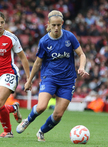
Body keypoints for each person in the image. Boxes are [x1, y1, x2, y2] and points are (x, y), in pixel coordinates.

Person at [16, 10, 89, 142]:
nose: (56, 28)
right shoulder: (44, 41)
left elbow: (82, 54)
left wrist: (82, 67)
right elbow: (38, 62)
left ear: (62, 23)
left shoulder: (69, 37)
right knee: (42, 106)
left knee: (58, 115)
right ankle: (27, 121)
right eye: (53, 25)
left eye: (58, 25)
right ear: (48, 24)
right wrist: (29, 81)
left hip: (67, 81)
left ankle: (41, 131)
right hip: (49, 78)